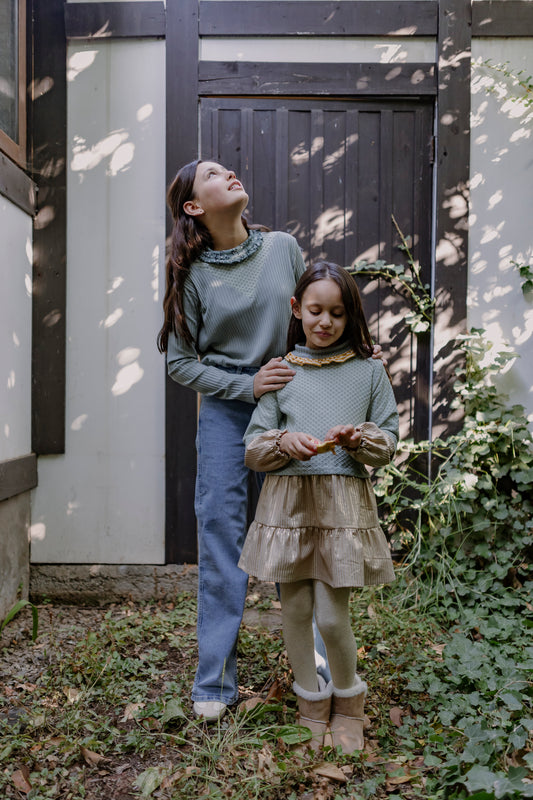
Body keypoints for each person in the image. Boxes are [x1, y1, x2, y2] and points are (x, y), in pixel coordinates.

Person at [157, 159, 384, 722]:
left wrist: (354, 351)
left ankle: (316, 663)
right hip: (228, 412)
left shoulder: (282, 248)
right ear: (194, 206)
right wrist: (246, 385)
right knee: (221, 536)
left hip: (292, 402)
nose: (230, 173)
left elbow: (312, 316)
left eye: (228, 169)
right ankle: (215, 681)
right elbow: (181, 364)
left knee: (300, 526)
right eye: (213, 174)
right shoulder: (190, 274)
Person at [238, 262, 399, 754]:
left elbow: (388, 441)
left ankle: (349, 704)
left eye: (337, 313)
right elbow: (253, 447)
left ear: (351, 316)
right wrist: (283, 440)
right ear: (297, 310)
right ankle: (311, 703)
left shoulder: (369, 371)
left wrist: (357, 438)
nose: (325, 322)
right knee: (294, 610)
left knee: (330, 617)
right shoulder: (283, 372)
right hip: (289, 506)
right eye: (315, 310)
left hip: (340, 509)